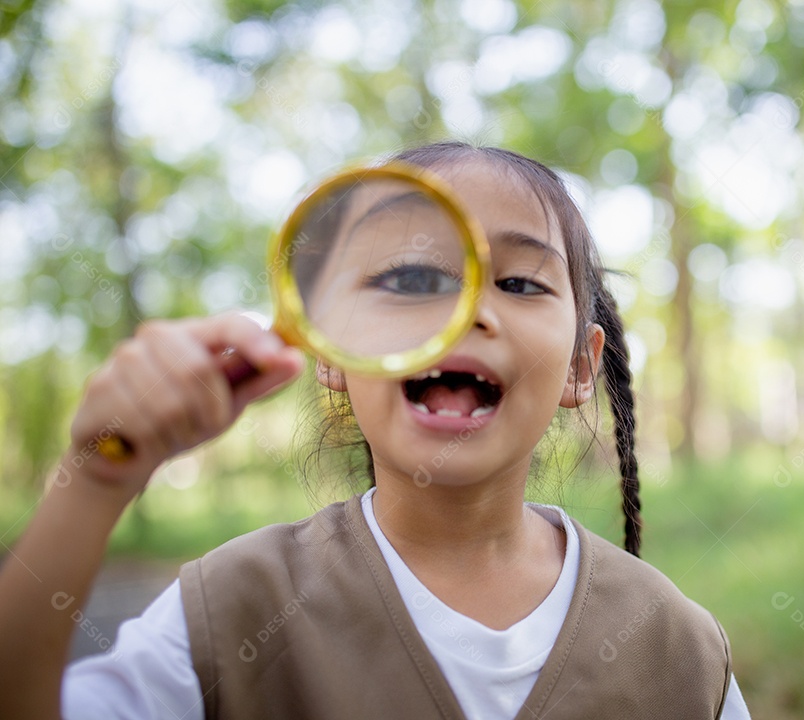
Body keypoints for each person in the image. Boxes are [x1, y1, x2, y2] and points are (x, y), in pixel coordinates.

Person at [0, 143, 752, 719]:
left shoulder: (680, 650)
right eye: (413, 278)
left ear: (578, 370)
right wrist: (96, 478)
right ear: (330, 344)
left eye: (520, 282)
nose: (469, 311)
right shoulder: (230, 611)